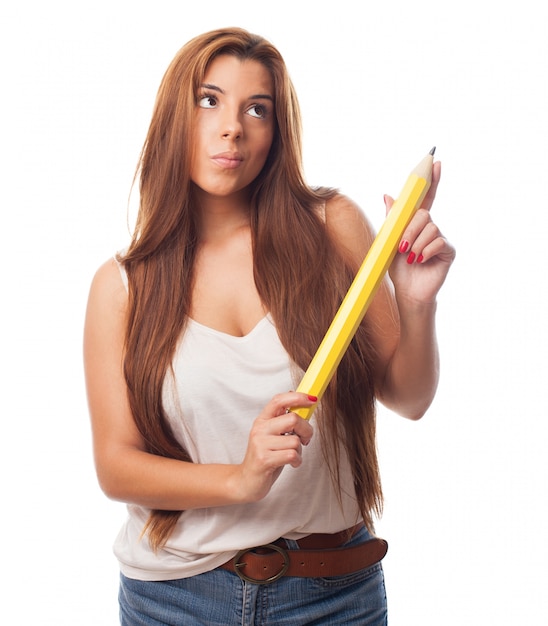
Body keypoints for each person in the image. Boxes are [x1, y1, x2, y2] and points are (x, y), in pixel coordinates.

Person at [83, 27, 455, 625]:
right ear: (174, 115)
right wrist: (241, 478)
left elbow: (409, 398)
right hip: (173, 600)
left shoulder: (331, 226)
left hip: (332, 594)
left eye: (258, 109)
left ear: (276, 132)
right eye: (210, 101)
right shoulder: (123, 285)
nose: (233, 126)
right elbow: (116, 466)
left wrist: (416, 302)